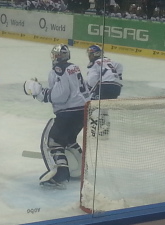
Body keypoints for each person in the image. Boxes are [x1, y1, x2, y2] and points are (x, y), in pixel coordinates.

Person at [24, 44, 89, 189]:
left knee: (54, 142)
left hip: (69, 112)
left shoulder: (58, 70)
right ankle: (83, 169)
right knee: (70, 139)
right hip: (83, 109)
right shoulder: (74, 67)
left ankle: (60, 175)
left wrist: (41, 93)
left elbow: (61, 95)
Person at [86, 44, 123, 139]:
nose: (89, 56)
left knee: (90, 106)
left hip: (105, 86)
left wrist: (90, 89)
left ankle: (95, 130)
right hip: (117, 87)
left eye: (90, 54)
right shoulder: (111, 61)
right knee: (103, 106)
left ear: (95, 54)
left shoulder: (94, 63)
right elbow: (119, 66)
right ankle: (104, 131)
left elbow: (92, 81)